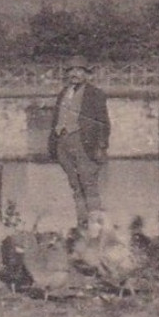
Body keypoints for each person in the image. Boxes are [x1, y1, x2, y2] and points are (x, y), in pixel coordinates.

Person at [47, 55, 110, 230]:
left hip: (84, 142)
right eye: (71, 70)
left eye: (79, 70)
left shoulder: (95, 94)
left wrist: (101, 146)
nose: (74, 74)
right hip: (63, 142)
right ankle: (82, 225)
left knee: (88, 183)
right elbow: (56, 119)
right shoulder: (63, 94)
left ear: (86, 74)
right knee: (75, 185)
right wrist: (53, 143)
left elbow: (104, 123)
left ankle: (96, 227)